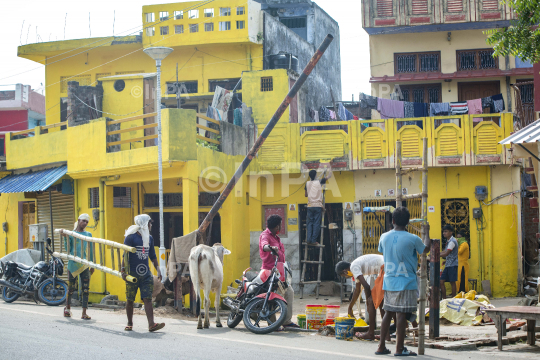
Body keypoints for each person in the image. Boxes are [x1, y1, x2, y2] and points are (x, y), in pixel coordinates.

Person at [376, 207, 430, 357]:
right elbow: (425, 250)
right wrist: (427, 232)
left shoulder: (384, 237)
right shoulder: (413, 238)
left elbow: (381, 249)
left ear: (392, 221)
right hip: (406, 281)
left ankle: (381, 346)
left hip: (390, 280)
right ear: (407, 222)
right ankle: (399, 349)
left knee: (388, 312)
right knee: (401, 314)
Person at [121, 214, 165, 332]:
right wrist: (123, 271)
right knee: (130, 299)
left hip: (146, 274)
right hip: (132, 273)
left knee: (148, 298)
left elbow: (152, 256)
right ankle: (129, 323)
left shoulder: (149, 238)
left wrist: (158, 269)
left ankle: (151, 324)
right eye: (150, 223)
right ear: (145, 223)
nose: (151, 225)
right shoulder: (130, 237)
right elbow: (125, 255)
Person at [259, 214, 299, 329]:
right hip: (269, 272)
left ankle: (286, 321)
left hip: (279, 272)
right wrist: (270, 248)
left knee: (289, 292)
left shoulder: (276, 237)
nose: (281, 227)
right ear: (277, 226)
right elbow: (264, 245)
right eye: (280, 224)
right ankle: (273, 324)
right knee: (271, 296)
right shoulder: (265, 235)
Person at [335, 254, 386, 340]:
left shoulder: (354, 267)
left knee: (372, 302)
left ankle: (371, 333)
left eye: (344, 276)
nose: (347, 277)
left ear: (344, 271)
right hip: (385, 268)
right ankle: (386, 334)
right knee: (379, 303)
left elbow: (366, 287)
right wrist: (350, 307)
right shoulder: (355, 268)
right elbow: (357, 290)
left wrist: (368, 302)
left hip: (385, 267)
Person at [61, 213, 94, 320]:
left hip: (84, 264)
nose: (85, 223)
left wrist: (92, 264)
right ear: (79, 220)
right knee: (71, 288)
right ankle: (67, 309)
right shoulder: (71, 234)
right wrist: (66, 238)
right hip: (73, 264)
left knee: (85, 289)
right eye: (83, 221)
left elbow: (91, 250)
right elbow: (68, 249)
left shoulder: (88, 235)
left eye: (87, 222)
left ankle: (84, 313)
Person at [304, 169, 331, 246]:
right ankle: (313, 240)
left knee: (309, 223)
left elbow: (306, 195)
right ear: (315, 175)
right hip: (318, 206)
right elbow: (329, 176)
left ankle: (308, 239)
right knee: (316, 223)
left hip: (310, 206)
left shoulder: (307, 183)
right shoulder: (319, 182)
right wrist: (330, 167)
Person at [440, 225, 459, 299]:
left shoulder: (452, 242)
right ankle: (444, 299)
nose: (444, 233)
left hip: (452, 265)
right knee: (441, 281)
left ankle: (453, 298)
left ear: (451, 232)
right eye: (443, 231)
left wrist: (435, 255)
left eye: (446, 231)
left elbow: (446, 253)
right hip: (448, 264)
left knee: (452, 282)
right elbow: (445, 251)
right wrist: (436, 253)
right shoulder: (448, 241)